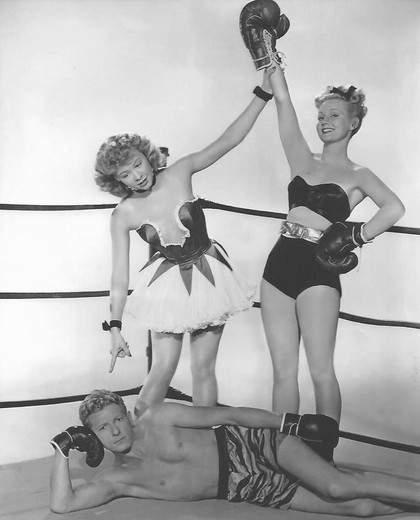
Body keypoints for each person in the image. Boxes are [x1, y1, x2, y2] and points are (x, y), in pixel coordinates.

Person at [240, 2, 405, 424]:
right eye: (321, 116)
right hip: (279, 265)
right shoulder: (302, 158)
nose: (324, 121)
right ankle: (284, 451)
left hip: (318, 268)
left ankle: (324, 453)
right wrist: (266, 50)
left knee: (320, 370)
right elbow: (282, 101)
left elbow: (394, 208)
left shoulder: (359, 174)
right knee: (282, 371)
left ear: (354, 123)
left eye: (334, 115)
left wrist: (355, 236)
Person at [94, 69, 277, 414]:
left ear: (147, 155)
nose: (137, 175)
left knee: (203, 369)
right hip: (166, 286)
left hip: (210, 276)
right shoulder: (123, 214)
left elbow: (228, 140)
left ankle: (206, 440)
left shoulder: (180, 171)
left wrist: (263, 94)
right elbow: (119, 277)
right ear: (116, 181)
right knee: (162, 369)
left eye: (138, 164)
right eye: (125, 174)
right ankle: (138, 440)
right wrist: (115, 328)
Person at [50, 388, 420, 516]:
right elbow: (62, 505)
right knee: (361, 509)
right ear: (91, 436)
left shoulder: (160, 416)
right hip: (244, 486)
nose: (115, 431)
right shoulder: (116, 480)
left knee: (338, 487)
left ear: (128, 416)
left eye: (118, 419)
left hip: (251, 445)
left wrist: (289, 423)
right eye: (103, 427)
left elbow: (229, 415)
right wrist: (61, 449)